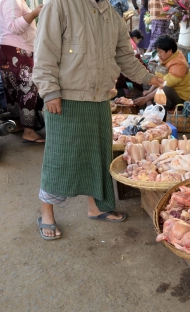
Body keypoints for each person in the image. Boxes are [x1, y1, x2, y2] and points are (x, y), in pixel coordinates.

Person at [32, 0, 164, 240]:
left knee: (96, 154)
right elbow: (44, 51)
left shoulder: (112, 16)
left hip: (100, 98)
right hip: (66, 98)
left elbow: (125, 56)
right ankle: (47, 213)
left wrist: (147, 77)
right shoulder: (59, 6)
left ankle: (96, 208)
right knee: (60, 157)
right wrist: (50, 92)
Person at [0, 0, 44, 143]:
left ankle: (17, 124)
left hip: (8, 48)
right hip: (17, 49)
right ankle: (29, 130)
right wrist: (35, 13)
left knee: (13, 89)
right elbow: (14, 26)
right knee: (28, 88)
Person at [134, 34, 190, 113]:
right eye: (157, 51)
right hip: (164, 89)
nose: (158, 54)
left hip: (179, 100)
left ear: (170, 51)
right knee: (147, 82)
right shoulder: (167, 58)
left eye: (160, 52)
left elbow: (164, 84)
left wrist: (146, 98)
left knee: (165, 90)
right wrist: (149, 91)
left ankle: (162, 116)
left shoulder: (179, 64)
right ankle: (147, 110)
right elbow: (158, 78)